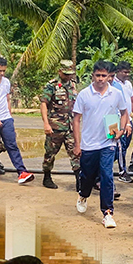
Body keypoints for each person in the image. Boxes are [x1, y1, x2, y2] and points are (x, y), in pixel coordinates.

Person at [73, 60, 130, 229]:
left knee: (107, 176)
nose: (100, 79)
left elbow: (124, 112)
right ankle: (83, 194)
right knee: (87, 177)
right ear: (93, 76)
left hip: (108, 142)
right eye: (97, 75)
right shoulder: (84, 94)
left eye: (104, 76)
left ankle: (107, 213)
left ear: (109, 77)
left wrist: (121, 129)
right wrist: (77, 144)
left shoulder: (116, 94)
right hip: (89, 144)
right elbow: (76, 120)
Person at [0, 57, 34, 185]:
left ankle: (22, 172)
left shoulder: (6, 82)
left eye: (4, 71)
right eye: (0, 71)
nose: (2, 73)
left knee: (12, 144)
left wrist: (9, 116)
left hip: (6, 118)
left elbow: (7, 99)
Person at [41, 60, 80, 190]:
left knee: (75, 153)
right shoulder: (51, 85)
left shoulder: (73, 85)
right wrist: (46, 124)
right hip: (55, 127)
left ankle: (79, 181)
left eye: (70, 74)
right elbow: (43, 104)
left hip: (70, 127)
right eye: (66, 74)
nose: (68, 76)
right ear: (60, 71)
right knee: (50, 154)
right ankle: (47, 177)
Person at [114, 61, 133, 184]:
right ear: (118, 71)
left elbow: (132, 101)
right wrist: (125, 123)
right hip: (119, 119)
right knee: (120, 146)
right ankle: (122, 171)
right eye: (125, 72)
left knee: (125, 146)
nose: (127, 74)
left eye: (128, 72)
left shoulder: (128, 84)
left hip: (129, 119)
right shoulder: (113, 84)